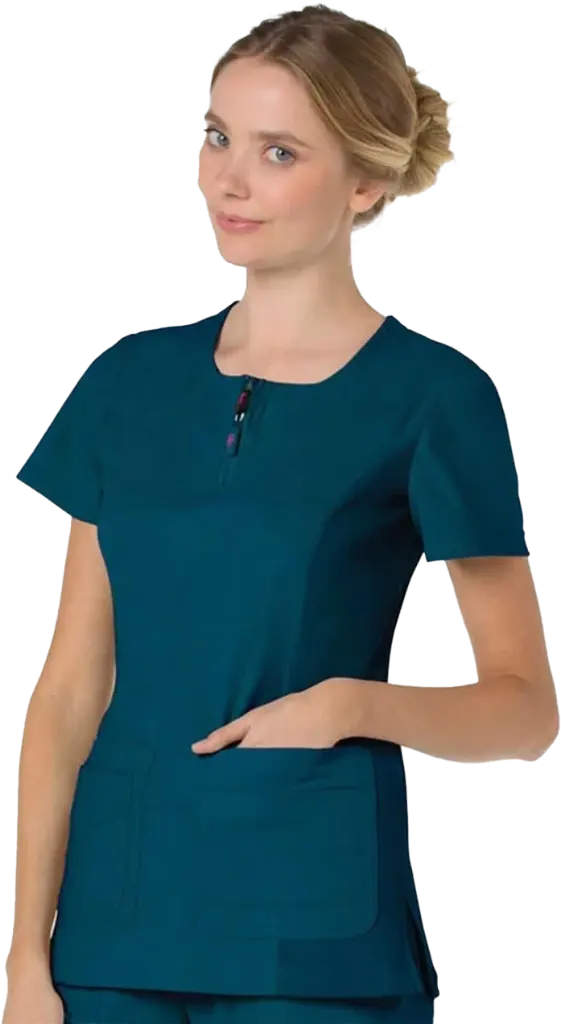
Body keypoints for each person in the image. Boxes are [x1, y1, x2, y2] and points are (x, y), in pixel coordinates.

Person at [6, 5, 559, 1024]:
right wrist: (24, 962)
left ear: (365, 183)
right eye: (216, 137)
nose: (228, 180)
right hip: (113, 923)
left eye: (278, 152)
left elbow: (525, 712)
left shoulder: (433, 398)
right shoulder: (129, 383)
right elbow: (72, 685)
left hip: (309, 937)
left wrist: (352, 704)